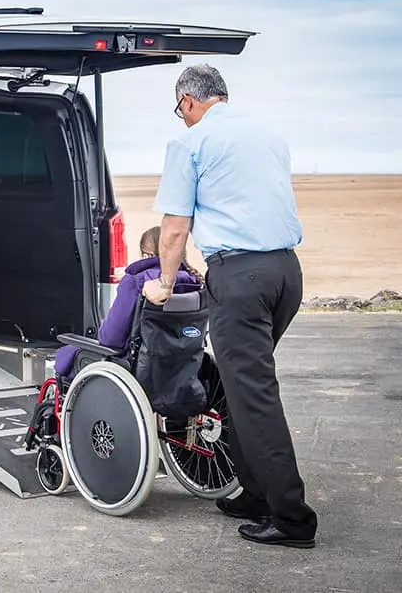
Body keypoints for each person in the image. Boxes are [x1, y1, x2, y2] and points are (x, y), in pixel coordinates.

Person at [141, 64, 318, 549]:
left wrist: (163, 282)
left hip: (240, 277)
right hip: (286, 273)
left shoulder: (191, 143)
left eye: (180, 110)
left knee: (254, 395)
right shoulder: (268, 135)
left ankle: (292, 518)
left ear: (189, 101)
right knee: (243, 387)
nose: (181, 118)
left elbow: (174, 227)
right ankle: (255, 493)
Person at [52, 226, 202, 380]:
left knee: (68, 355)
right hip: (180, 368)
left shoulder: (137, 280)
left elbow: (110, 339)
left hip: (133, 369)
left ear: (146, 254)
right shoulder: (194, 282)